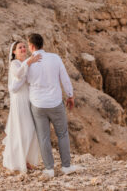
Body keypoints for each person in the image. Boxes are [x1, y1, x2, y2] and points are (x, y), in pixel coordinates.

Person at [27, 33, 77, 177]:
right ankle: (66, 167)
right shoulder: (55, 58)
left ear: (31, 46)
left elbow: (24, 81)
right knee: (62, 134)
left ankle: (49, 169)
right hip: (55, 103)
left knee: (43, 137)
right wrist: (70, 95)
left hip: (37, 104)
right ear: (43, 44)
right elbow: (64, 78)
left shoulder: (29, 63)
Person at [3, 41, 41, 172]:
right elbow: (19, 75)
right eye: (20, 47)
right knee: (22, 130)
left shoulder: (27, 64)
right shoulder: (14, 64)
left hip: (29, 99)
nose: (23, 49)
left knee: (30, 130)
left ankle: (24, 159)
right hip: (19, 101)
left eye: (24, 46)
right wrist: (29, 62)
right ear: (14, 52)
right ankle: (19, 162)